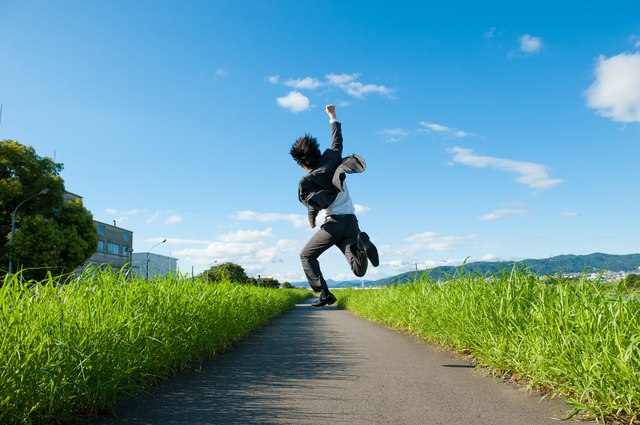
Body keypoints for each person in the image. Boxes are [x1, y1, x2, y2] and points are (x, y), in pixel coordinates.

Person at [290, 104, 379, 307]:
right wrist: (333, 116)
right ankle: (361, 244)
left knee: (306, 255)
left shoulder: (307, 180)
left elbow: (313, 201)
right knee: (358, 270)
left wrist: (311, 218)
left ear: (302, 163)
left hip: (334, 225)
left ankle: (324, 294)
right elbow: (337, 141)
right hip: (352, 224)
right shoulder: (332, 158)